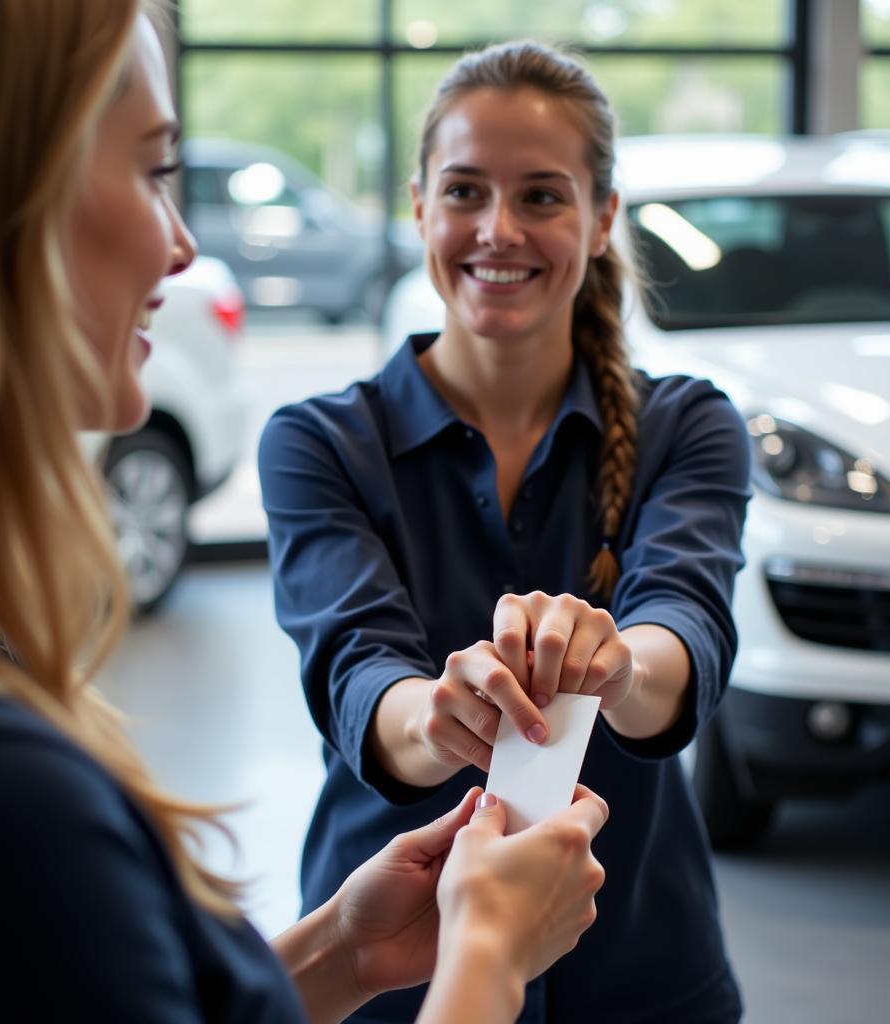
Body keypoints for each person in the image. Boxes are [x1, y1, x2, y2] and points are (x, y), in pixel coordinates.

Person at [0, 6, 611, 1022]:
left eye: (542, 195)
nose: (182, 247)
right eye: (153, 173)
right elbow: (358, 664)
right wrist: (486, 956)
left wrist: (341, 951)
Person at [259, 39, 751, 1023]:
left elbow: (683, 627)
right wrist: (433, 717)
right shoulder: (318, 442)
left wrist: (620, 667)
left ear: (602, 216)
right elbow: (356, 664)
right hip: (394, 958)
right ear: (417, 206)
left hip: (643, 967)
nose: (497, 229)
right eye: (463, 190)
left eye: (540, 195)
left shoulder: (686, 425)